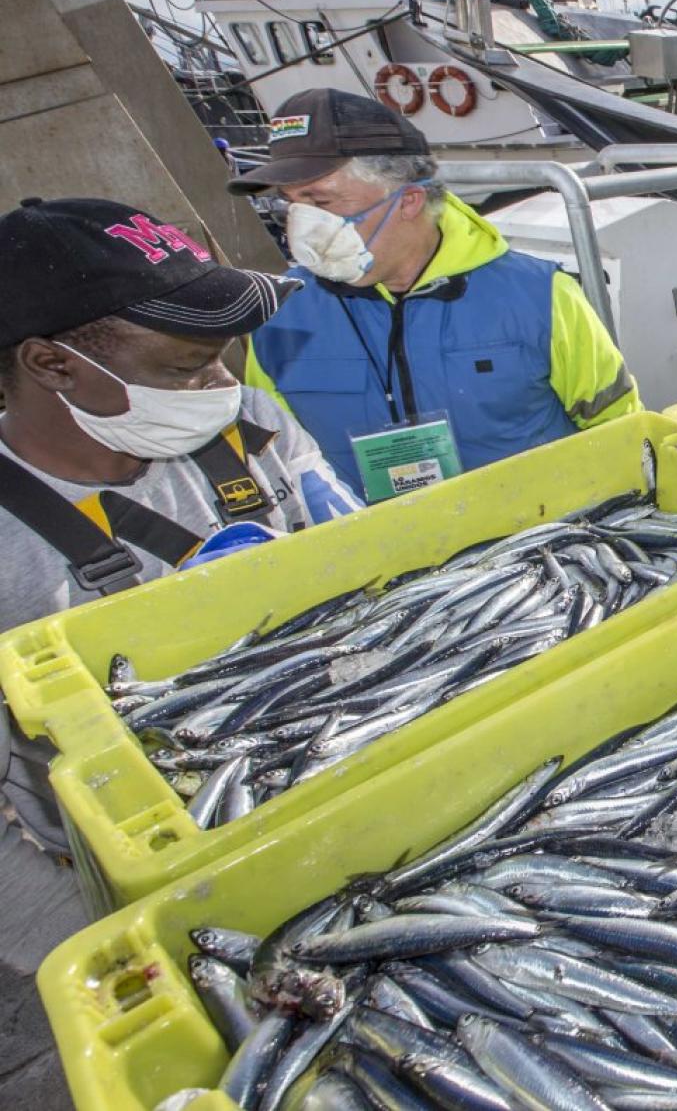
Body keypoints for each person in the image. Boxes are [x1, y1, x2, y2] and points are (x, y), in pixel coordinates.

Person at [0, 196, 359, 1105]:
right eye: (187, 363)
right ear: (52, 364)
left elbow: (354, 546)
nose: (223, 384)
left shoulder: (243, 426)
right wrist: (122, 951)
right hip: (136, 892)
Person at [230, 89, 640, 500]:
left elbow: (620, 428)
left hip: (537, 544)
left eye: (321, 202)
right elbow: (279, 459)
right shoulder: (280, 317)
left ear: (408, 201)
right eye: (290, 206)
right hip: (373, 554)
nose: (303, 226)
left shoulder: (540, 295)